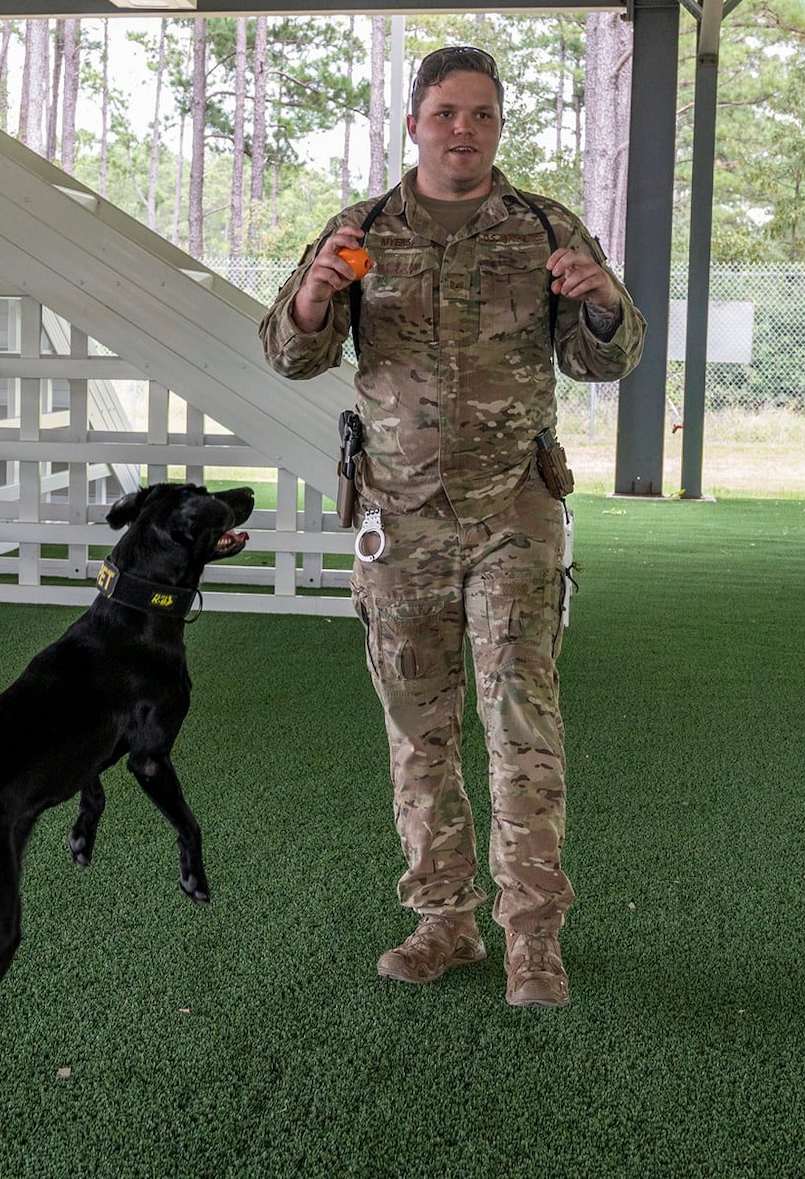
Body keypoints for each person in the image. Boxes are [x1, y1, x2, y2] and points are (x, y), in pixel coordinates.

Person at [259, 45, 645, 1008]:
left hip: (514, 506)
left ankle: (533, 939)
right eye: (445, 113)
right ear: (414, 124)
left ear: (498, 126)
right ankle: (444, 920)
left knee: (521, 720)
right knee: (417, 727)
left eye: (480, 114)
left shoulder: (545, 227)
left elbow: (606, 361)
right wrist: (315, 291)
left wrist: (602, 305)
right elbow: (290, 351)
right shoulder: (361, 230)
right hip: (400, 513)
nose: (462, 129)